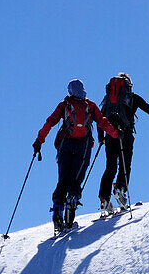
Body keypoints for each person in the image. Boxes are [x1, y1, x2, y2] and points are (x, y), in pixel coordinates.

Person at [34, 79, 118, 232]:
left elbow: (50, 121)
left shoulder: (64, 105)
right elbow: (102, 122)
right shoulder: (90, 106)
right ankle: (72, 204)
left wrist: (40, 140)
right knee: (75, 179)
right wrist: (115, 133)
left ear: (70, 90)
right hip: (83, 147)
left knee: (62, 180)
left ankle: (57, 211)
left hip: (65, 144)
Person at [97, 72, 149, 214]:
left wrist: (101, 138)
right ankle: (120, 189)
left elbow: (100, 120)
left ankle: (104, 198)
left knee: (110, 167)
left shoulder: (107, 99)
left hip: (109, 136)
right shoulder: (133, 98)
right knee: (125, 165)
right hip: (125, 135)